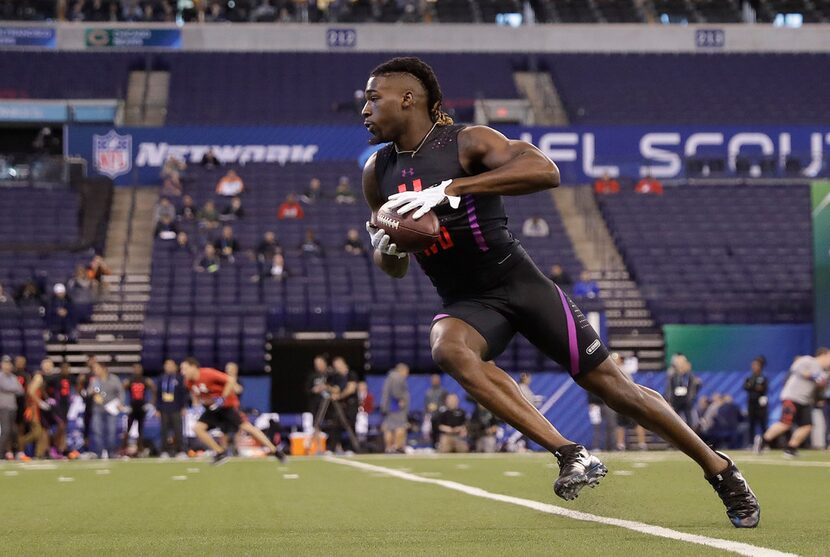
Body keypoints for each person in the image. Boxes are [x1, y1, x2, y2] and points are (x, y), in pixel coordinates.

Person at [360, 57, 758, 527]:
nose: (364, 109)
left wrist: (453, 187)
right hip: (467, 302)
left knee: (616, 390)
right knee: (449, 349)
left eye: (372, 98)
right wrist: (387, 250)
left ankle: (721, 469)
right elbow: (394, 269)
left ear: (409, 98)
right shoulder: (376, 171)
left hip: (519, 283)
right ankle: (571, 453)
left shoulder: (468, 141)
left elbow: (545, 170)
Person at [181, 357, 283, 464]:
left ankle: (274, 450)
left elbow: (230, 380)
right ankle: (220, 452)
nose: (183, 372)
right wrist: (197, 405)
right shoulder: (188, 382)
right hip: (212, 408)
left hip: (226, 406)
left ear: (193, 367)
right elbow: (196, 394)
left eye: (185, 368)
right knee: (198, 428)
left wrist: (222, 398)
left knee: (247, 427)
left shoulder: (208, 373)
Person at [761, 348, 830, 457]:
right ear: (825, 355)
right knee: (785, 423)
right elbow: (797, 370)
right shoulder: (808, 360)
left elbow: (820, 388)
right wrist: (816, 377)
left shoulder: (823, 372)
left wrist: (823, 383)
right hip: (792, 396)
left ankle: (791, 448)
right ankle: (762, 441)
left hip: (805, 400)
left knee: (807, 425)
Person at [90, 363, 125, 459]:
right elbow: (89, 391)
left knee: (111, 431)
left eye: (97, 368)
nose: (95, 370)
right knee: (97, 431)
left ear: (103, 369)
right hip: (98, 408)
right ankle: (99, 452)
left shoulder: (114, 379)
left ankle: (111, 452)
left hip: (111, 408)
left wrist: (120, 403)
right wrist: (92, 393)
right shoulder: (94, 380)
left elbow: (120, 391)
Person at [325, 356, 359, 452]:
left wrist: (339, 396)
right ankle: (333, 448)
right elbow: (336, 389)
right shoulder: (337, 377)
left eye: (338, 365)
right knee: (335, 425)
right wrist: (327, 387)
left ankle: (352, 448)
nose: (337, 367)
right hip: (340, 406)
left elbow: (350, 389)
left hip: (351, 405)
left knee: (350, 425)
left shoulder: (351, 374)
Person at [123, 364, 156, 456]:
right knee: (127, 428)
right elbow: (121, 390)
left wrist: (151, 403)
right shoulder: (129, 380)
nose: (137, 370)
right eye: (136, 369)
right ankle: (124, 449)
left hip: (141, 407)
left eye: (139, 368)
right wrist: (124, 404)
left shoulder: (145, 380)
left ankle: (140, 449)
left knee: (140, 430)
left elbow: (154, 389)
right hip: (132, 407)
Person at [158, 359, 188, 457]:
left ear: (175, 367)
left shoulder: (180, 378)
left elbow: (183, 394)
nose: (169, 367)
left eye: (171, 365)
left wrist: (183, 407)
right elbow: (158, 395)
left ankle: (180, 450)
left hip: (176, 408)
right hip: (164, 408)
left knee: (178, 430)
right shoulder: (161, 378)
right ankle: (164, 451)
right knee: (164, 430)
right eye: (167, 365)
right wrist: (157, 408)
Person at [380, 362, 410, 453]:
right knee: (399, 426)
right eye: (407, 372)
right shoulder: (398, 377)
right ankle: (397, 447)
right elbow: (396, 392)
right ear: (402, 370)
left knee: (389, 428)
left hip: (388, 407)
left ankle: (389, 448)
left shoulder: (389, 377)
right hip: (396, 407)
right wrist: (401, 400)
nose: (407, 375)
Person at [0, 356, 24, 460]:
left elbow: (21, 390)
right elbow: (4, 386)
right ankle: (1, 452)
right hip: (3, 407)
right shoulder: (0, 376)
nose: (7, 366)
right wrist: (13, 388)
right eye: (5, 364)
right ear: (1, 365)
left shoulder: (13, 377)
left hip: (13, 407)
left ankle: (12, 451)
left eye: (9, 364)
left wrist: (11, 388)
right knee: (5, 430)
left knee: (13, 431)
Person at [744, 356, 769, 452]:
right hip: (751, 403)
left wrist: (752, 387)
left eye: (756, 365)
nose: (753, 366)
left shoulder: (763, 377)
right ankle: (750, 443)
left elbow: (763, 389)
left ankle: (765, 443)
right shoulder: (749, 377)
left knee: (763, 424)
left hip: (761, 405)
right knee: (751, 424)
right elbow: (746, 387)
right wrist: (755, 387)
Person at [666, 354, 699, 427]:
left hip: (686, 401)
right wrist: (669, 400)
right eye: (679, 363)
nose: (681, 366)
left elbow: (694, 388)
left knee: (689, 421)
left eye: (682, 363)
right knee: (673, 421)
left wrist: (691, 398)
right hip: (676, 400)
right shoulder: (673, 376)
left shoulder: (690, 376)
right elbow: (670, 389)